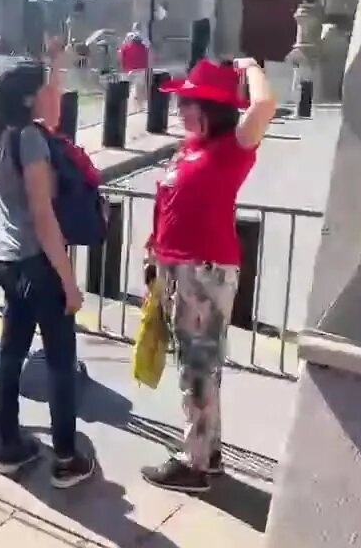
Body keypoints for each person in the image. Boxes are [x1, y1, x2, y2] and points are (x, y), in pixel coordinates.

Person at [140, 57, 276, 494]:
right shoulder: (190, 148)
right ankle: (208, 453)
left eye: (187, 104)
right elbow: (171, 203)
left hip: (205, 270)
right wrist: (155, 250)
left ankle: (194, 464)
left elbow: (265, 105)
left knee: (197, 366)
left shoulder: (231, 147)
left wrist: (251, 67)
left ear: (211, 109)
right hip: (179, 266)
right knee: (200, 364)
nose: (180, 111)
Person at [0, 54, 97, 489]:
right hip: (38, 263)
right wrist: (69, 282)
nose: (57, 95)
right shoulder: (30, 140)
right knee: (60, 363)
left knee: (10, 358)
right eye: (49, 89)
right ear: (32, 98)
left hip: (11, 262)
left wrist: (55, 64)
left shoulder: (3, 136)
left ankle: (9, 447)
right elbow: (43, 214)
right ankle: (67, 457)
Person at [119, 25, 150, 111]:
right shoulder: (144, 48)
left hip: (128, 70)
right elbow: (147, 58)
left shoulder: (125, 47)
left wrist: (122, 67)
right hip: (140, 70)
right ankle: (139, 106)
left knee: (127, 89)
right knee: (139, 89)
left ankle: (128, 106)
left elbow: (121, 58)